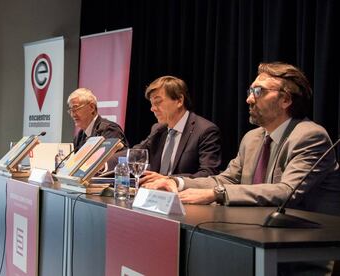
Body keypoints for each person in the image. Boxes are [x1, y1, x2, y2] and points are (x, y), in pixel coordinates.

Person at [143, 62, 340, 276]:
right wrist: (176, 182)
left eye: (259, 91)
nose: (249, 98)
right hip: (255, 241)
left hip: (299, 255)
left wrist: (216, 194)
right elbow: (227, 179)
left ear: (286, 100)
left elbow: (286, 191)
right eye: (250, 91)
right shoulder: (252, 138)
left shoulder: (310, 136)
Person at [123, 75, 222, 181]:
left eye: (158, 102)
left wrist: (169, 180)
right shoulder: (158, 129)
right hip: (155, 193)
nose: (152, 109)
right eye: (151, 104)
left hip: (183, 194)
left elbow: (209, 173)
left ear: (179, 100)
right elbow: (135, 153)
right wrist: (105, 162)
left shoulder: (205, 131)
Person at [67, 88, 128, 152]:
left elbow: (110, 160)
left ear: (91, 107)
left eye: (76, 109)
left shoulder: (109, 130)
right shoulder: (80, 136)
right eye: (71, 110)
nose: (73, 114)